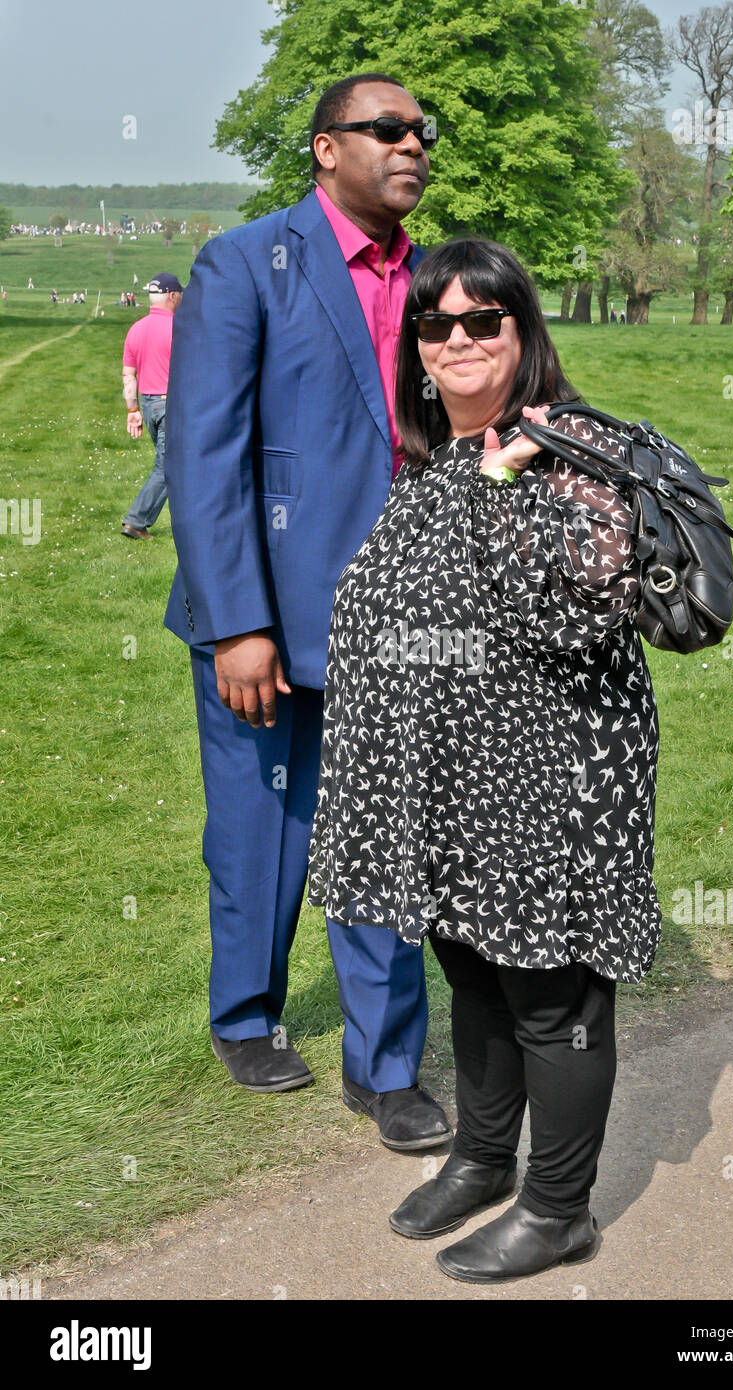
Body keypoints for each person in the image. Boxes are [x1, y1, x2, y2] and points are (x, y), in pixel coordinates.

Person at [306, 238, 662, 1282]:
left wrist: (510, 486)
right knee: (471, 972)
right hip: (453, 780)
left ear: (523, 331)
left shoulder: (573, 450)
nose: (457, 338)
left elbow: (575, 621)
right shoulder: (435, 461)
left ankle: (559, 1208)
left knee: (550, 994)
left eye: (482, 320)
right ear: (416, 346)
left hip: (550, 774)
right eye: (436, 323)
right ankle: (480, 1155)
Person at [163, 74, 451, 1152]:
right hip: (264, 617)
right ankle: (245, 1014)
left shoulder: (438, 280)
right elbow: (203, 450)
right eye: (387, 129)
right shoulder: (247, 262)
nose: (411, 144)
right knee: (261, 828)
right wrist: (240, 619)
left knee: (386, 834)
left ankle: (386, 1073)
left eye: (422, 132)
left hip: (395, 617)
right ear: (327, 149)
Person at [120, 272, 183, 540]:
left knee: (173, 465)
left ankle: (193, 518)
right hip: (171, 404)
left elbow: (128, 375)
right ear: (172, 295)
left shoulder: (136, 329)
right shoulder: (181, 329)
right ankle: (136, 520)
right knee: (169, 465)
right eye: (180, 294)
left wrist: (133, 411)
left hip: (147, 404)